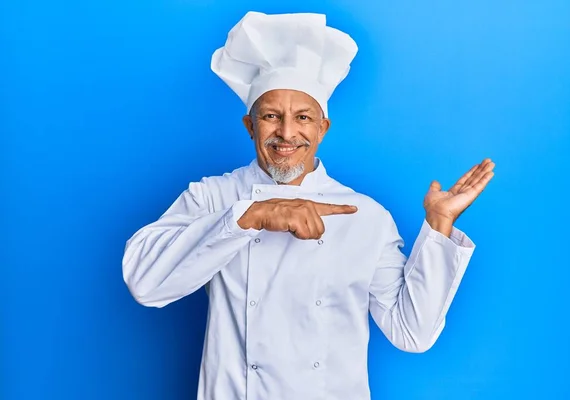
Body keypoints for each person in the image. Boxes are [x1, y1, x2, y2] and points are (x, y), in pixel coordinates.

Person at [122, 11, 495, 400]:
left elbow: (411, 332)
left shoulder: (364, 215)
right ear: (250, 125)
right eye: (271, 116)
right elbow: (145, 284)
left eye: (302, 117)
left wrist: (439, 226)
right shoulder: (214, 196)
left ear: (322, 128)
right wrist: (249, 217)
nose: (286, 133)